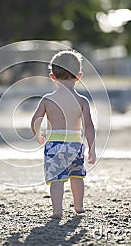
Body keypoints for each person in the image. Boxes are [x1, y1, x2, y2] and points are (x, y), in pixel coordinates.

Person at [31, 50, 96, 219]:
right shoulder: (82, 101)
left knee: (56, 179)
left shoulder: (47, 100)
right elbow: (89, 126)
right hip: (75, 145)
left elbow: (35, 121)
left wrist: (38, 135)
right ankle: (79, 206)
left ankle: (57, 210)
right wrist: (92, 149)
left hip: (55, 145)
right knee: (77, 176)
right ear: (79, 76)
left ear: (52, 76)